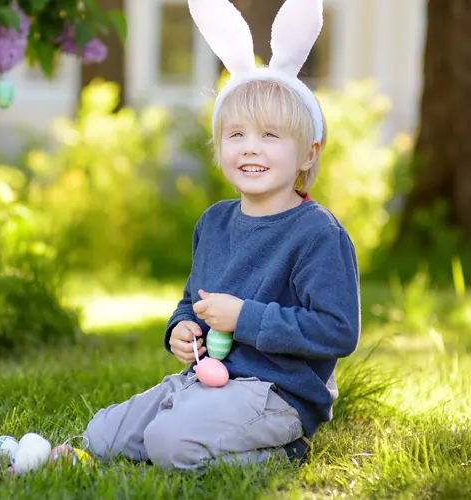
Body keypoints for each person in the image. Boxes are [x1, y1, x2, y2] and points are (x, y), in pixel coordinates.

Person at [82, 0, 360, 471]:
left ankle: (282, 451)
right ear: (219, 145)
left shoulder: (317, 233)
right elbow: (193, 300)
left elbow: (337, 330)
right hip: (207, 379)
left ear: (308, 153)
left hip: (276, 393)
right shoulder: (214, 222)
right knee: (101, 437)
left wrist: (244, 318)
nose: (251, 148)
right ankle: (195, 426)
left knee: (170, 446)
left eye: (270, 136)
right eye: (236, 135)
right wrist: (181, 328)